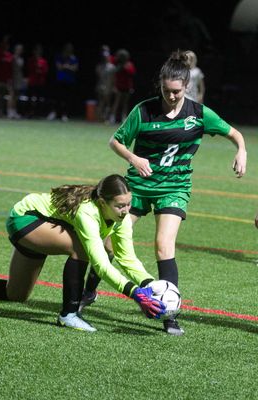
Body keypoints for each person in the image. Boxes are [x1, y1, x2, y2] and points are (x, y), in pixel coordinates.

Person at [80, 49, 247, 336]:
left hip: (175, 188)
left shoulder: (198, 114)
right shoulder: (144, 110)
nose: (171, 97)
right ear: (160, 85)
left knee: (163, 246)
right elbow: (115, 141)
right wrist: (133, 158)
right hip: (138, 189)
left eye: (177, 92)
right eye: (167, 91)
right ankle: (89, 292)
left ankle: (170, 313)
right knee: (108, 245)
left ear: (187, 87)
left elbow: (235, 133)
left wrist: (241, 151)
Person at [0, 174, 166, 332]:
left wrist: (150, 284)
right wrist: (134, 293)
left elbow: (127, 257)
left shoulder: (122, 218)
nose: (126, 210)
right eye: (120, 206)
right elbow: (100, 263)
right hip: (26, 218)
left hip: (43, 225)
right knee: (81, 248)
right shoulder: (88, 212)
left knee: (17, 294)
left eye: (128, 204)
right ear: (102, 202)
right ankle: (68, 315)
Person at [47, 42, 79, 122]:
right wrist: (68, 67)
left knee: (67, 99)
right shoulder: (59, 56)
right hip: (60, 79)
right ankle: (54, 113)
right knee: (57, 98)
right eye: (68, 47)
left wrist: (66, 66)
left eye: (70, 48)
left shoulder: (74, 58)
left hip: (70, 81)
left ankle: (64, 115)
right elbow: (59, 67)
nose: (69, 49)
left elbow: (75, 69)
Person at [109, 48, 136, 124]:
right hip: (118, 86)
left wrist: (125, 67)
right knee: (116, 102)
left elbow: (132, 73)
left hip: (127, 87)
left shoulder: (129, 64)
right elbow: (114, 72)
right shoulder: (116, 64)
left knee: (125, 104)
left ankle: (124, 118)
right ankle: (112, 118)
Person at [26, 43, 49, 118]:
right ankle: (29, 113)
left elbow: (45, 71)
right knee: (30, 98)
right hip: (32, 81)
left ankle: (38, 113)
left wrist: (40, 71)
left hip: (40, 82)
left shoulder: (43, 61)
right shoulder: (30, 60)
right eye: (36, 50)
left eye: (39, 50)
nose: (37, 52)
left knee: (39, 99)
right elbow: (29, 69)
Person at [95, 45, 116, 122]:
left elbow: (113, 79)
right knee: (100, 101)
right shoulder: (99, 66)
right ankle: (99, 117)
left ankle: (106, 118)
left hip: (108, 86)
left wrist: (113, 87)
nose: (105, 58)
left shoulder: (112, 67)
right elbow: (98, 77)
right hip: (100, 86)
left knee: (107, 103)